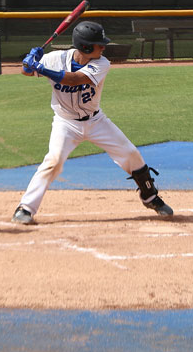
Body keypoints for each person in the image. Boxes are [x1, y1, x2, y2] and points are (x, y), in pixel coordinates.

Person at [12, 21, 173, 225]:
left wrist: (40, 68)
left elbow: (74, 79)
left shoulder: (102, 63)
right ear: (86, 47)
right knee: (53, 161)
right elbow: (26, 71)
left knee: (131, 153)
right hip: (66, 123)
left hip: (97, 121)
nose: (103, 47)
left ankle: (150, 197)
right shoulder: (54, 59)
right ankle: (25, 207)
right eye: (99, 44)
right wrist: (29, 62)